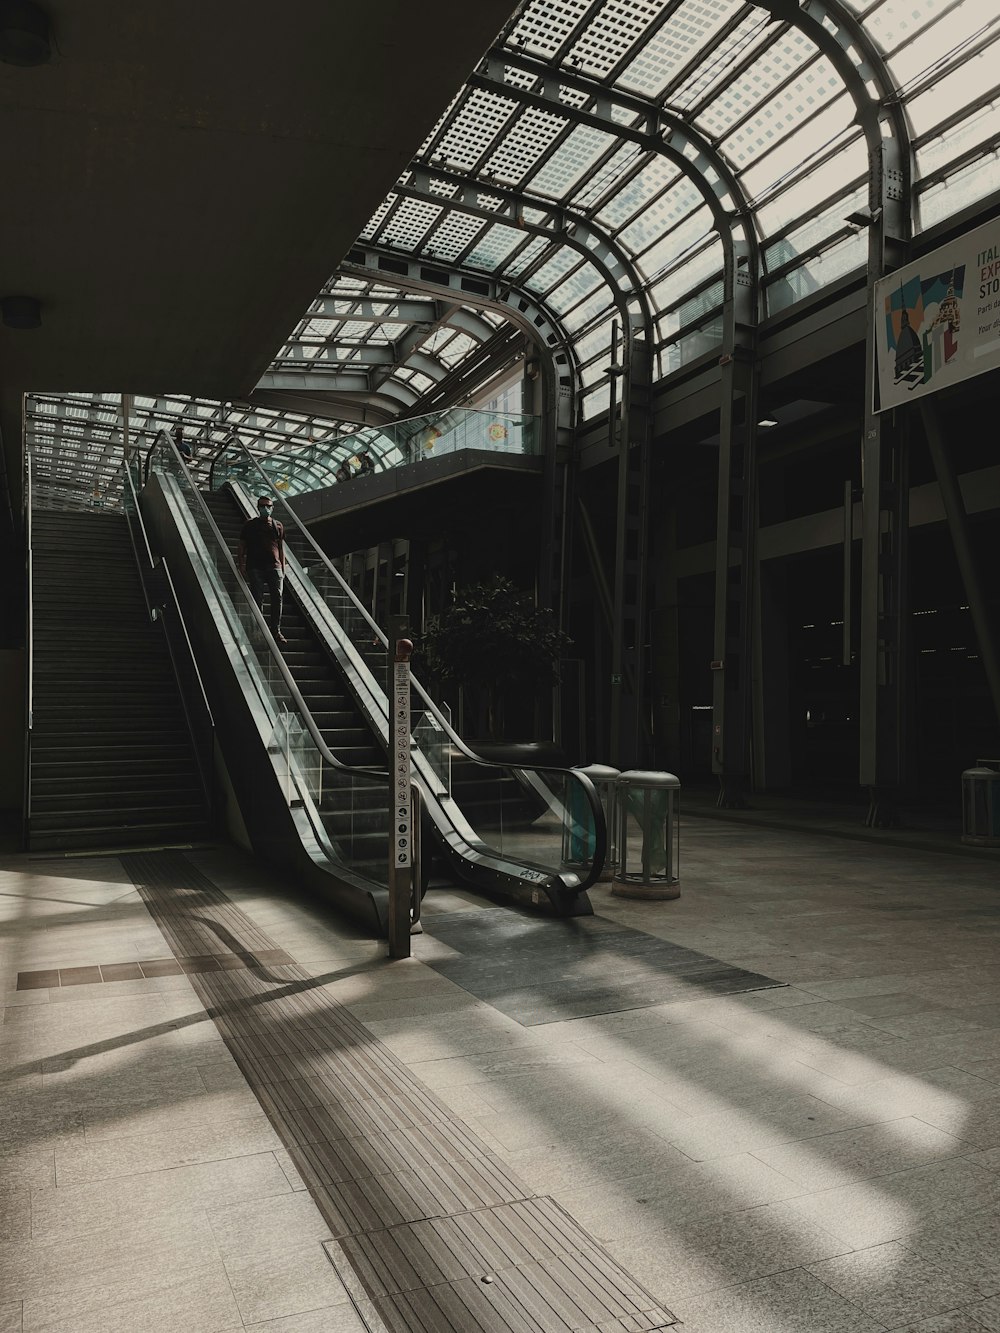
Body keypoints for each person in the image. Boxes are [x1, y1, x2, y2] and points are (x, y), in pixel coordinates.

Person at [238, 495, 287, 645]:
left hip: (274, 567)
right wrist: (241, 564)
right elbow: (242, 546)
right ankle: (257, 632)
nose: (265, 509)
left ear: (272, 508)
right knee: (257, 599)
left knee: (277, 599)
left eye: (268, 506)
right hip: (255, 567)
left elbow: (281, 547)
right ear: (258, 507)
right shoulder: (249, 525)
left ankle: (276, 631)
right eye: (262, 506)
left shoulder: (278, 526)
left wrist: (283, 568)